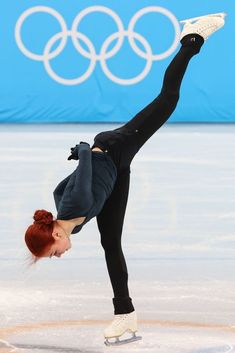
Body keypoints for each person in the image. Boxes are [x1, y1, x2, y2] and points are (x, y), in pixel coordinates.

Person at [25, 13, 226, 346]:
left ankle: (192, 38)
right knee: (110, 245)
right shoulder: (67, 210)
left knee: (168, 99)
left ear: (56, 233)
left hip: (116, 147)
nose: (57, 256)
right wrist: (86, 165)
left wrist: (85, 153)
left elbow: (85, 166)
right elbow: (62, 185)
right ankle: (125, 315)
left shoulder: (73, 205)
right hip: (116, 173)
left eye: (52, 252)